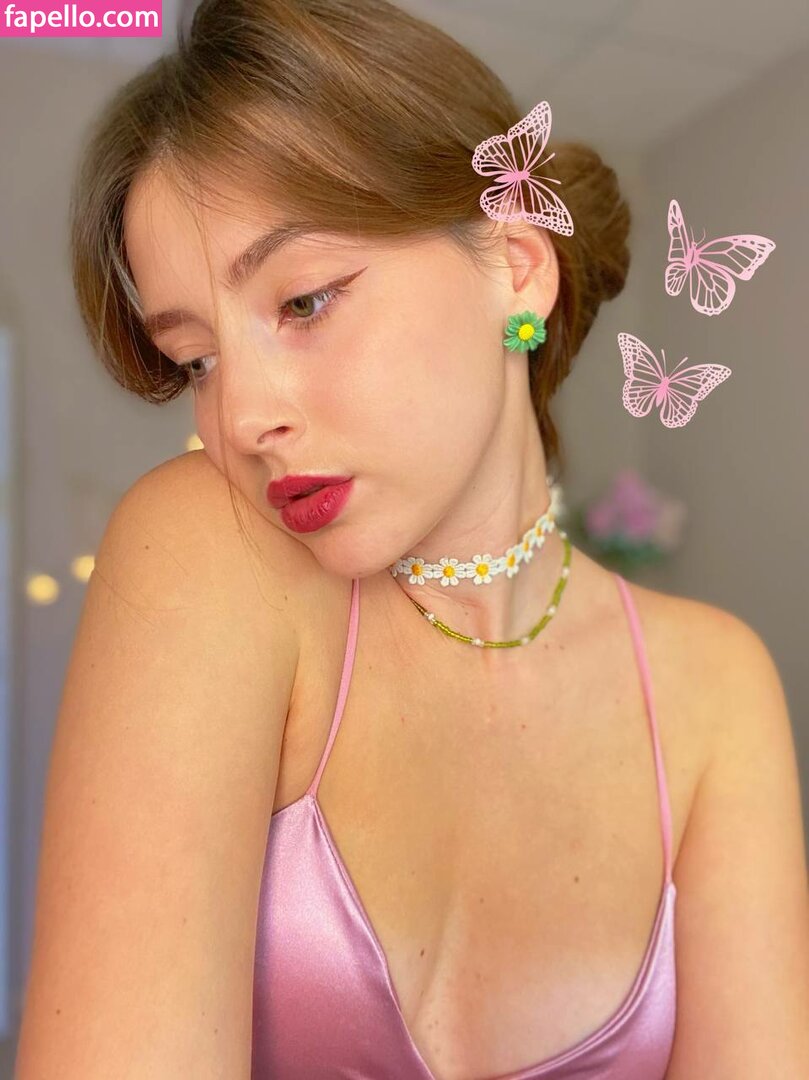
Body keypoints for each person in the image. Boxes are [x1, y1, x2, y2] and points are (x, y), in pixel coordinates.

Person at [16, 1, 809, 1078]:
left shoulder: (715, 686)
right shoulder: (208, 549)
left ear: (515, 267)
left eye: (304, 302)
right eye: (196, 360)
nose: (240, 416)